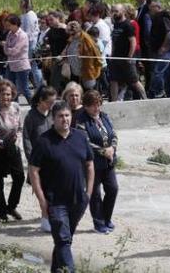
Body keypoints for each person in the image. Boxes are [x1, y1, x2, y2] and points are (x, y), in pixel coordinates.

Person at [29, 102, 94, 273]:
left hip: (78, 200)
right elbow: (33, 171)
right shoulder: (44, 141)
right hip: (55, 202)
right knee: (63, 240)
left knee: (64, 239)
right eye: (60, 116)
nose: (64, 119)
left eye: (67, 115)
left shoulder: (80, 137)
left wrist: (89, 192)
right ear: (53, 119)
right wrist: (42, 201)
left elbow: (89, 164)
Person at [74, 90, 119, 234]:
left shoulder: (104, 116)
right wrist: (103, 151)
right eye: (93, 105)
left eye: (98, 104)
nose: (96, 108)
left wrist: (112, 148)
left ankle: (106, 218)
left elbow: (114, 134)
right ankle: (99, 223)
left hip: (109, 162)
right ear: (86, 106)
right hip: (92, 163)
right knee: (95, 194)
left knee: (113, 189)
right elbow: (84, 141)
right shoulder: (81, 120)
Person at [0, 79, 25, 223]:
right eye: (2, 94)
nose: (6, 97)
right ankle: (1, 212)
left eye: (8, 94)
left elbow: (20, 127)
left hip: (12, 146)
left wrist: (17, 140)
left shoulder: (16, 107)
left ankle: (11, 206)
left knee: (19, 177)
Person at [23, 86, 57, 232]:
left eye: (54, 102)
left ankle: (51, 216)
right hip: (38, 162)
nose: (52, 105)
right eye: (49, 102)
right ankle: (45, 218)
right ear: (41, 101)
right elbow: (26, 139)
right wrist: (32, 160)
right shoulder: (31, 117)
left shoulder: (53, 114)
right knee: (43, 191)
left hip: (54, 159)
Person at [109, 4, 146, 102]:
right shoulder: (116, 24)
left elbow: (133, 42)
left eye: (116, 11)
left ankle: (145, 98)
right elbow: (114, 40)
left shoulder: (128, 25)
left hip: (126, 58)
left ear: (123, 11)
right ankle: (114, 101)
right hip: (116, 58)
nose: (114, 13)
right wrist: (112, 54)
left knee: (134, 80)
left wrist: (129, 57)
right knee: (113, 80)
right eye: (113, 11)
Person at [60, 21, 102, 91]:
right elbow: (67, 50)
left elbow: (94, 55)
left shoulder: (86, 40)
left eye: (73, 34)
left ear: (78, 31)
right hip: (75, 71)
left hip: (87, 71)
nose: (71, 36)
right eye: (70, 34)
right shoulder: (72, 39)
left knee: (89, 91)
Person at [2, 14, 33, 103]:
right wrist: (8, 49)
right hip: (11, 65)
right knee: (11, 87)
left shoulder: (23, 35)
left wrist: (8, 49)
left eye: (9, 25)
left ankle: (33, 105)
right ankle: (14, 105)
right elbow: (5, 49)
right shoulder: (9, 34)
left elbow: (16, 50)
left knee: (24, 88)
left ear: (15, 24)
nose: (8, 27)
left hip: (21, 66)